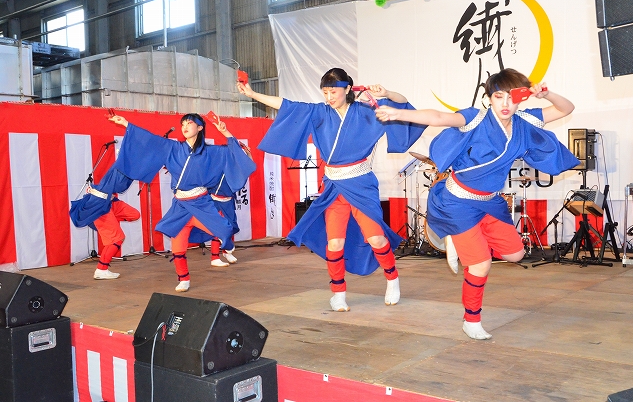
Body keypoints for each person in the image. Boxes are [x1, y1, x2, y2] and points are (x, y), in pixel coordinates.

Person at [375, 68, 579, 339]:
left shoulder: (525, 120)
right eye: (499, 96)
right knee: (481, 264)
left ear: (522, 98)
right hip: (457, 201)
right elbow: (438, 117)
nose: (505, 104)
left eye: (512, 97)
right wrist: (397, 114)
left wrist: (547, 94)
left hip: (489, 201)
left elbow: (566, 109)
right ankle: (471, 320)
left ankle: (459, 240)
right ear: (489, 97)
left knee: (515, 255)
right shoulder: (475, 118)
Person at [237, 67, 426, 311]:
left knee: (376, 238)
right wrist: (253, 94)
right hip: (334, 187)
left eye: (333, 92)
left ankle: (392, 278)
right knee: (334, 243)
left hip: (361, 185)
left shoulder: (367, 111)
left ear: (347, 89)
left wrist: (387, 93)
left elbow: (401, 104)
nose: (329, 97)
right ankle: (338, 292)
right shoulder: (320, 112)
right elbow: (286, 105)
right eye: (325, 92)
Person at [107, 112, 256, 292]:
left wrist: (225, 132)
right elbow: (151, 140)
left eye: (189, 123)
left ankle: (226, 246)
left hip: (200, 203)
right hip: (180, 205)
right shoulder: (173, 148)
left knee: (224, 229)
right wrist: (126, 123)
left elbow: (236, 155)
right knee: (177, 246)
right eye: (183, 124)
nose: (185, 127)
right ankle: (183, 278)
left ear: (200, 127)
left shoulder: (212, 152)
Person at [70, 168, 140, 280]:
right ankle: (101, 269)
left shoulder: (125, 167)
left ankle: (111, 225)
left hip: (110, 203)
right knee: (117, 239)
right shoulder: (120, 168)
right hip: (99, 207)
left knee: (134, 215)